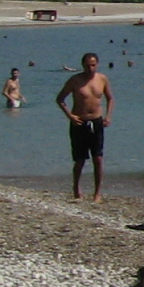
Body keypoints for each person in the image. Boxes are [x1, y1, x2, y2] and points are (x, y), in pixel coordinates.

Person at [55, 52, 113, 201]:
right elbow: (60, 99)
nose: (90, 68)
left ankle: (97, 193)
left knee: (98, 158)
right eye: (88, 65)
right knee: (80, 160)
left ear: (97, 64)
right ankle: (76, 188)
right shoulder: (75, 80)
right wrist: (70, 116)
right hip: (79, 122)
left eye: (93, 65)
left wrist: (108, 116)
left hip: (97, 122)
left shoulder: (102, 79)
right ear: (82, 65)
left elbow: (110, 98)